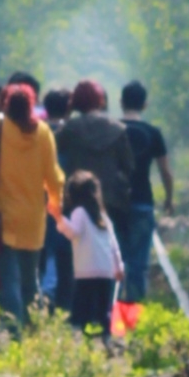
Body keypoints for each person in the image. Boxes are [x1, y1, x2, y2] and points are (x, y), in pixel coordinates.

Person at [0, 82, 62, 328]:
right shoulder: (42, 132)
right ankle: (31, 329)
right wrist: (56, 208)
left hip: (3, 217)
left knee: (8, 279)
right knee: (30, 281)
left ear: (5, 104)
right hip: (33, 220)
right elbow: (54, 178)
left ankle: (14, 333)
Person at [56, 80, 134, 253]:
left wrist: (67, 115)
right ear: (100, 100)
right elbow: (128, 166)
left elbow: (52, 150)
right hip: (110, 198)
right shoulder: (117, 129)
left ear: (75, 102)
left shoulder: (71, 128)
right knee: (112, 249)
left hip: (77, 198)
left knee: (76, 251)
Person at [117, 80, 174, 306]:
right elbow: (165, 172)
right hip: (142, 202)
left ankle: (111, 313)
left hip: (115, 205)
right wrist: (169, 200)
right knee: (139, 263)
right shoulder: (153, 133)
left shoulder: (112, 130)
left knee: (117, 261)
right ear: (145, 104)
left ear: (121, 103)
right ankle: (131, 319)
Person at [58, 171, 123, 337]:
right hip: (105, 271)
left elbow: (74, 232)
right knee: (103, 309)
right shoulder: (103, 217)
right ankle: (104, 339)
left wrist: (59, 219)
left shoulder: (79, 212)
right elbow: (113, 245)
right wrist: (118, 267)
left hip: (86, 272)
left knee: (81, 309)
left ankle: (79, 337)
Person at [40, 91, 75, 312]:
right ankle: (63, 304)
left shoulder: (36, 130)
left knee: (41, 251)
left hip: (38, 200)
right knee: (65, 255)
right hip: (67, 202)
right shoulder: (73, 132)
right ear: (69, 107)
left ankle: (41, 298)